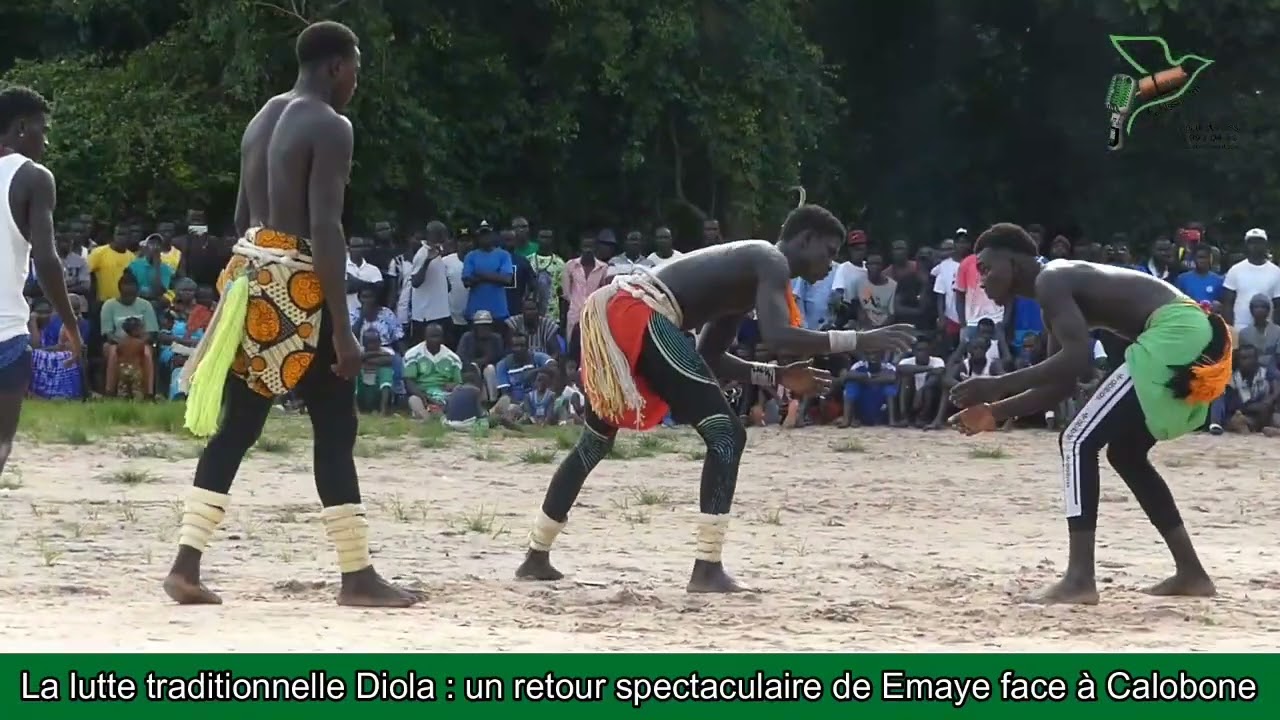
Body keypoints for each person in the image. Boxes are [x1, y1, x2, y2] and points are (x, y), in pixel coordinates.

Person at [515, 202, 914, 593]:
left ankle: (536, 555)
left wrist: (775, 375)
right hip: (641, 312)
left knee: (594, 443)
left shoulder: (750, 272)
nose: (830, 264)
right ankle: (707, 569)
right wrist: (858, 339)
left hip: (621, 311)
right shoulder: (771, 260)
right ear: (805, 239)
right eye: (829, 251)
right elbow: (778, 336)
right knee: (727, 434)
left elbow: (709, 356)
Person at [164, 21, 416, 608]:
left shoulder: (261, 119)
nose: (356, 82)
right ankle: (357, 576)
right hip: (300, 286)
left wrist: (260, 276)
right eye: (356, 70)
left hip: (251, 279)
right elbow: (325, 227)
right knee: (335, 427)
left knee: (239, 427)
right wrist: (343, 330)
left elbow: (241, 218)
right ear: (336, 66)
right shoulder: (331, 125)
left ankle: (185, 565)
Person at [948, 223, 1230, 605]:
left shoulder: (1052, 278)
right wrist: (995, 412)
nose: (980, 279)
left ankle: (1080, 579)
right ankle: (1192, 573)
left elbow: (1077, 358)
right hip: (1192, 335)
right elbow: (1061, 383)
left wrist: (996, 385)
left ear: (1013, 262)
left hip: (1177, 334)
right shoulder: (1052, 293)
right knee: (1125, 455)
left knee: (1077, 440)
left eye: (985, 268)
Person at [0, 86, 83, 479]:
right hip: (5, 333)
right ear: (21, 128)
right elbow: (46, 260)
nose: (45, 141)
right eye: (41, 129)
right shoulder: (33, 177)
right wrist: (70, 324)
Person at [114, 317, 150, 400]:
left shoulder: (121, 343)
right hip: (135, 369)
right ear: (135, 331)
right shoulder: (139, 343)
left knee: (123, 387)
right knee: (137, 388)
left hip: (123, 368)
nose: (142, 331)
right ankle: (137, 400)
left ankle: (122, 399)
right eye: (141, 329)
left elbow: (118, 354)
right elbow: (141, 356)